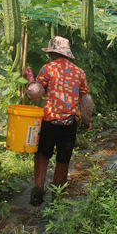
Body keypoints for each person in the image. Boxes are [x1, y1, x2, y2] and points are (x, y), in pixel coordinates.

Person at [23, 36, 93, 206]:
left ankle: (39, 187)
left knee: (42, 155)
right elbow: (86, 99)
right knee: (63, 159)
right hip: (69, 124)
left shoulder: (48, 69)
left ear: (53, 53)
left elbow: (36, 94)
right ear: (67, 54)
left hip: (50, 121)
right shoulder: (79, 72)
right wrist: (86, 120)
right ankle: (57, 196)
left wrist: (30, 80)